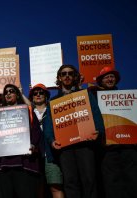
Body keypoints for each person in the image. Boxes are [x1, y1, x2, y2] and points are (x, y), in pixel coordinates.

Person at [43, 64, 105, 198]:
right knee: (70, 182)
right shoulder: (53, 102)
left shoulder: (85, 95)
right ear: (59, 78)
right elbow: (48, 125)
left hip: (85, 144)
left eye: (70, 73)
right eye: (63, 74)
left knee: (89, 180)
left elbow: (96, 114)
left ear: (75, 76)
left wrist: (98, 131)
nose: (67, 76)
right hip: (65, 148)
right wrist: (52, 140)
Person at [89, 66, 137, 198]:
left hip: (129, 146)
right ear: (100, 81)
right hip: (107, 147)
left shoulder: (129, 97)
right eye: (106, 77)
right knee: (112, 182)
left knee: (132, 179)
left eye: (112, 76)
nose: (110, 79)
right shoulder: (94, 97)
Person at [0, 84, 43, 198]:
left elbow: (36, 130)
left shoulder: (28, 111)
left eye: (11, 91)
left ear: (17, 95)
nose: (8, 93)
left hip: (24, 163)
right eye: (6, 92)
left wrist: (33, 144)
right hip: (2, 164)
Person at [29, 84, 64, 198]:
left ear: (46, 95)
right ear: (32, 97)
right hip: (34, 156)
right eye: (35, 93)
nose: (38, 95)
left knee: (55, 187)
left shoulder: (54, 110)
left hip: (50, 155)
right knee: (37, 190)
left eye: (41, 93)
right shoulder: (27, 113)